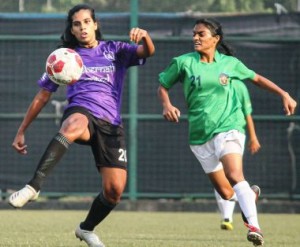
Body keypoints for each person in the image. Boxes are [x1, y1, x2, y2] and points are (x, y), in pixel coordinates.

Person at [9, 4, 155, 247]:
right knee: (74, 123)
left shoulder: (114, 50)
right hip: (82, 112)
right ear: (73, 30)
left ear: (95, 24)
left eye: (87, 22)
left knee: (114, 192)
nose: (83, 27)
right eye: (77, 24)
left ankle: (86, 229)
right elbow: (42, 96)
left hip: (110, 124)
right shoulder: (64, 57)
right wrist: (21, 130)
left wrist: (146, 36)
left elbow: (146, 52)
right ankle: (33, 186)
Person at [157, 18, 296, 246]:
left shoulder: (230, 64)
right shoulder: (183, 62)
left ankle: (254, 227)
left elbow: (257, 79)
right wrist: (166, 104)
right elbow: (163, 85)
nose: (196, 38)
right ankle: (249, 195)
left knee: (234, 175)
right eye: (194, 34)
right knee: (226, 193)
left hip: (228, 128)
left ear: (215, 39)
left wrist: (284, 93)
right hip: (199, 136)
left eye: (201, 34)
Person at [215, 80, 261, 231]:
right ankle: (249, 197)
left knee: (231, 175)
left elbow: (247, 114)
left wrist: (253, 137)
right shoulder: (208, 79)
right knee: (221, 185)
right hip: (209, 134)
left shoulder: (239, 85)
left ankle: (229, 218)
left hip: (232, 133)